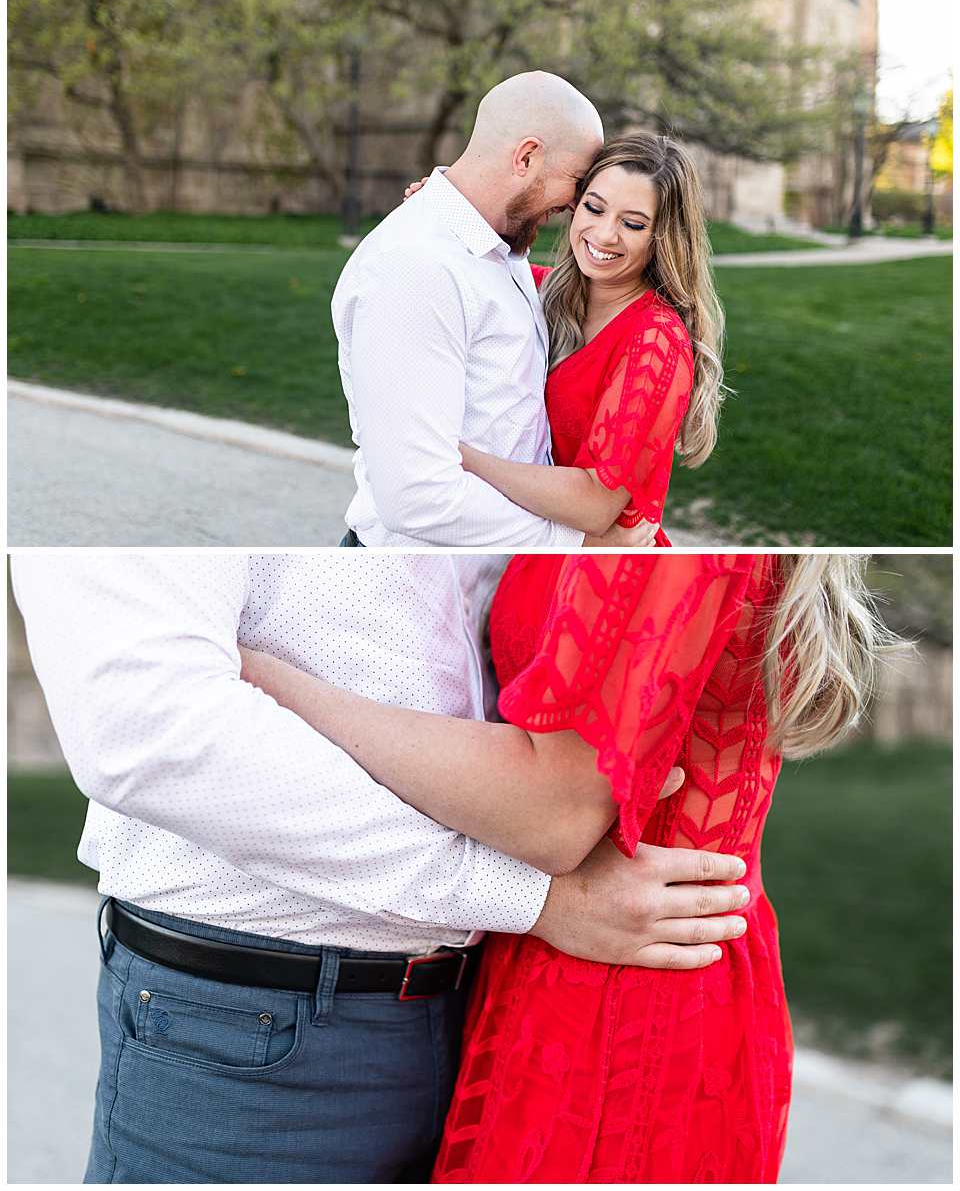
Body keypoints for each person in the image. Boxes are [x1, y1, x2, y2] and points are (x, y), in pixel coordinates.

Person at [11, 552, 752, 1186]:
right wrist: (526, 895)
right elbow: (147, 733)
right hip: (256, 1017)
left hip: (501, 998)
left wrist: (281, 684)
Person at [239, 552, 898, 1183]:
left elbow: (553, 815)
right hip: (625, 952)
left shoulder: (668, 546)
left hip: (620, 995)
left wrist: (262, 677)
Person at [332, 69, 622, 549]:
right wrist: (575, 542)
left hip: (490, 574)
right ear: (526, 157)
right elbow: (417, 498)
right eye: (577, 181)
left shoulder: (497, 246)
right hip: (417, 577)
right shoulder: (416, 268)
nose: (576, 204)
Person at [455, 131, 725, 543]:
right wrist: (441, 210)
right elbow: (462, 262)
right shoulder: (541, 289)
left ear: (663, 238)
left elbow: (594, 505)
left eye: (632, 224)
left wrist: (461, 459)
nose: (604, 234)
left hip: (599, 569)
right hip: (530, 546)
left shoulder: (655, 341)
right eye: (594, 208)